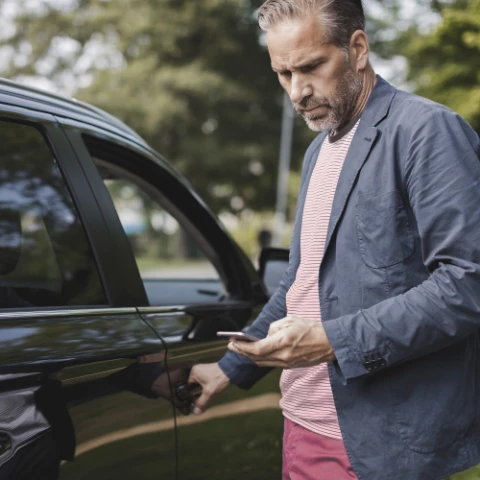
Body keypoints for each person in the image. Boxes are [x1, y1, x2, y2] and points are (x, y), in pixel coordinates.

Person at [188, 0, 480, 478]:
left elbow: (468, 284)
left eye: (310, 67)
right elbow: (301, 283)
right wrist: (229, 369)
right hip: (302, 426)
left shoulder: (426, 131)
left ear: (358, 49)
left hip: (380, 444)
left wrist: (331, 341)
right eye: (282, 73)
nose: (297, 91)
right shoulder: (317, 151)